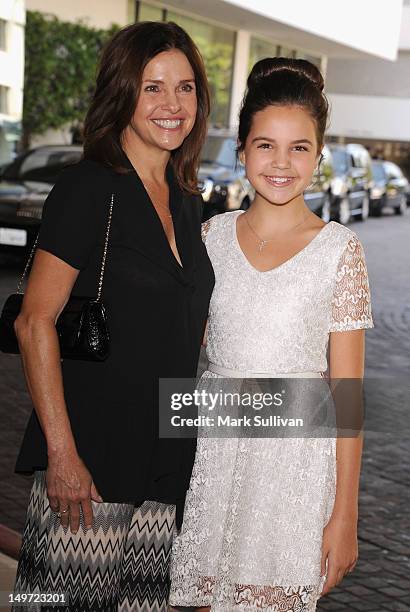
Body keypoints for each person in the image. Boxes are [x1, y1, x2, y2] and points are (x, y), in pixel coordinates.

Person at [12, 21, 214, 611]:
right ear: (122, 92)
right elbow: (34, 322)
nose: (172, 105)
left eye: (185, 87)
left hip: (165, 463)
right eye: (153, 87)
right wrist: (62, 454)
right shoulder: (88, 189)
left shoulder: (188, 200)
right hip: (91, 465)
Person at [168, 58, 374, 612]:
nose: (281, 163)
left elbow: (347, 395)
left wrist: (345, 516)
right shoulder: (209, 238)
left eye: (299, 147)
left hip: (293, 483)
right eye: (265, 145)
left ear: (319, 154)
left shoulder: (339, 252)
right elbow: (189, 359)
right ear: (241, 150)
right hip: (208, 469)